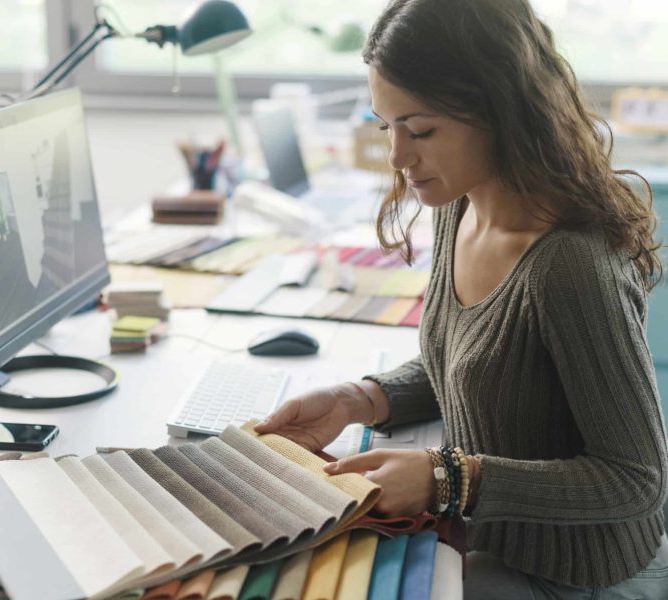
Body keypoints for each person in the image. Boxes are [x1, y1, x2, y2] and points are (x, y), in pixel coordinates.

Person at [255, 0, 668, 597]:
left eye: (420, 130)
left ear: (501, 112)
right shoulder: (459, 204)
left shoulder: (569, 266)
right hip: (485, 535)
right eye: (384, 125)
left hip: (569, 573)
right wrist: (359, 399)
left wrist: (449, 481)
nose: (398, 156)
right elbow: (479, 361)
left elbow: (636, 479)